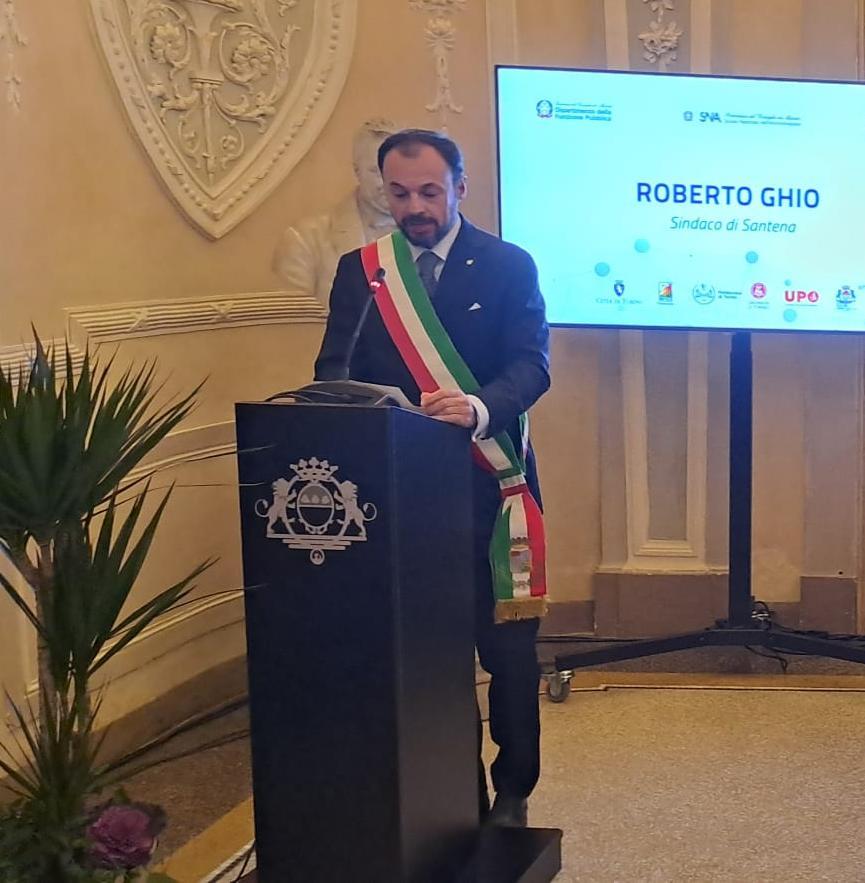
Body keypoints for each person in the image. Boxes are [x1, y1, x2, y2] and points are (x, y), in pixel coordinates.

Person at [314, 129, 550, 827]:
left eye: (428, 192)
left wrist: (478, 406)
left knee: (507, 653)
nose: (414, 207)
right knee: (428, 655)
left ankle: (513, 790)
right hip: (401, 496)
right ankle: (451, 793)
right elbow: (333, 370)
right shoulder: (363, 272)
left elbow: (531, 364)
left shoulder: (508, 265)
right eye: (399, 193)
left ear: (459, 189)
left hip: (491, 487)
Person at [273, 118, 399, 306]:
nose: (388, 182)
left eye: (395, 170)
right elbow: (294, 320)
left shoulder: (430, 235)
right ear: (357, 171)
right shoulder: (306, 240)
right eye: (376, 171)